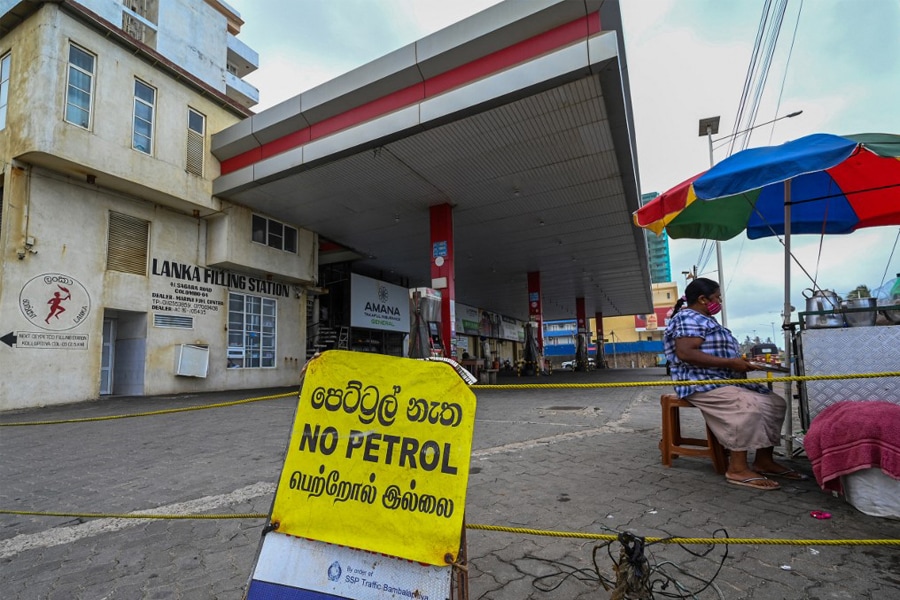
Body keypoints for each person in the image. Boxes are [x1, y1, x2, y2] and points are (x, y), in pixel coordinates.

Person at [664, 278, 807, 491]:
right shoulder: (688, 317)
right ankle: (737, 468)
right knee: (747, 405)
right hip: (699, 382)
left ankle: (763, 460)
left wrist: (744, 363)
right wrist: (731, 363)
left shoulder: (706, 320)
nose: (719, 302)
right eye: (717, 297)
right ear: (703, 299)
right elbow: (686, 353)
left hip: (725, 380)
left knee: (774, 402)